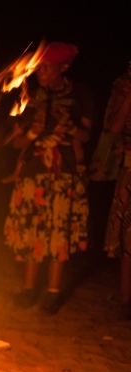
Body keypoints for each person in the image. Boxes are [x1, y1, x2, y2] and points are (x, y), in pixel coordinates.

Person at [3, 42, 94, 314]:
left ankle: (53, 292)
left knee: (58, 234)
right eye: (38, 66)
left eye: (46, 66)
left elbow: (86, 136)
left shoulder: (80, 94)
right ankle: (29, 288)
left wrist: (70, 127)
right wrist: (33, 132)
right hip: (33, 173)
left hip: (63, 173)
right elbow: (17, 143)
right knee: (32, 231)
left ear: (63, 67)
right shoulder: (31, 95)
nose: (39, 71)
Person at [101, 61, 131, 318]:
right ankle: (125, 301)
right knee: (128, 237)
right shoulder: (124, 84)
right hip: (130, 170)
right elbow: (114, 126)